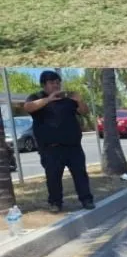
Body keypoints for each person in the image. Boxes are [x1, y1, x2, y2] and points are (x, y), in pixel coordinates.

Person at [23, 71, 94, 213]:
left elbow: (84, 111)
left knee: (80, 175)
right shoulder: (37, 97)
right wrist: (48, 99)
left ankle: (86, 200)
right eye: (52, 83)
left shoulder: (68, 99)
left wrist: (79, 100)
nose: (56, 85)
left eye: (57, 82)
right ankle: (55, 203)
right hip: (50, 149)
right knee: (53, 178)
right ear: (44, 85)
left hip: (73, 147)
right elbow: (28, 107)